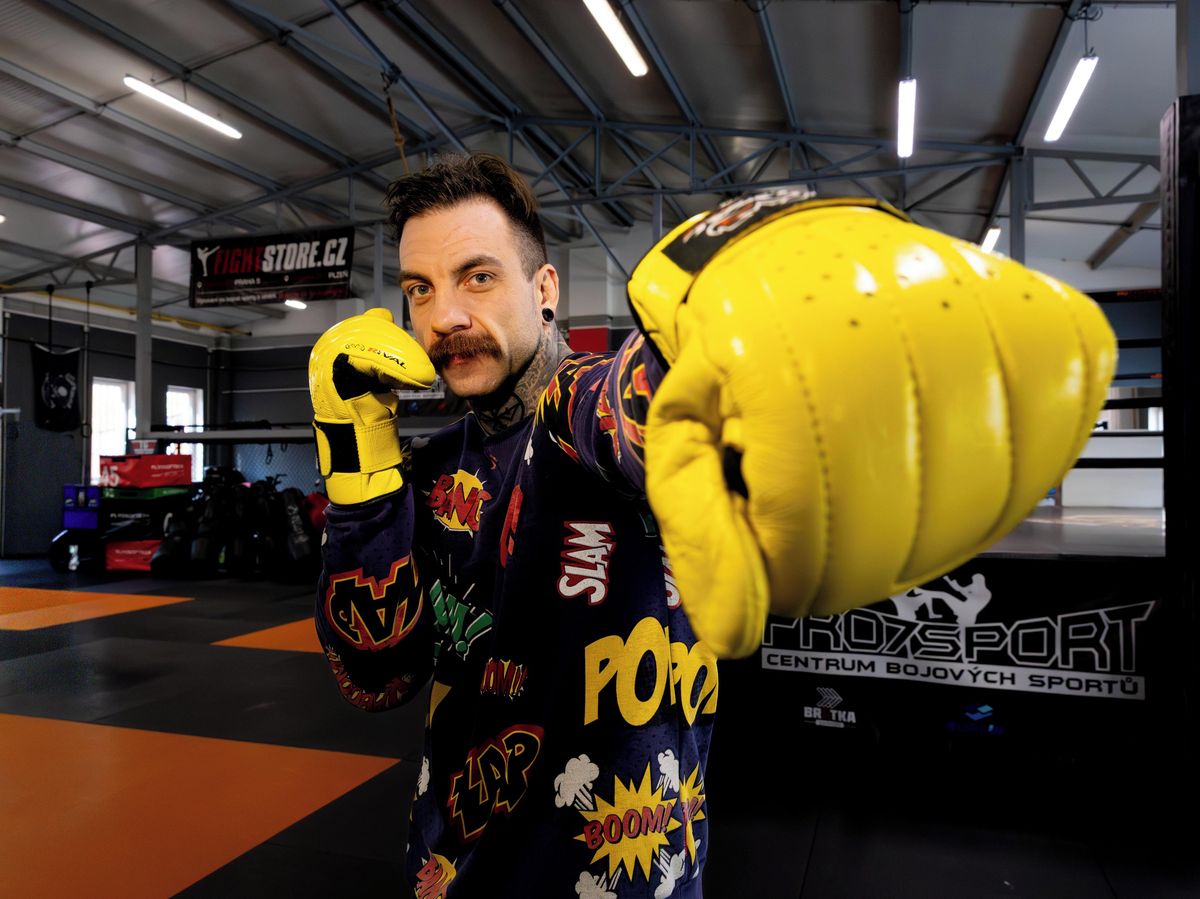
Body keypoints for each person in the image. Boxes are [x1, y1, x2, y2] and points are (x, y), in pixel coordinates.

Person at [309, 153, 1115, 897]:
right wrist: (358, 470)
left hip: (619, 874)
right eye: (419, 288)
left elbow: (640, 402)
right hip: (448, 870)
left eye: (477, 277)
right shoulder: (427, 467)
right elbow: (377, 675)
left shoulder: (579, 406)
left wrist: (746, 358)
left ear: (544, 287)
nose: (445, 314)